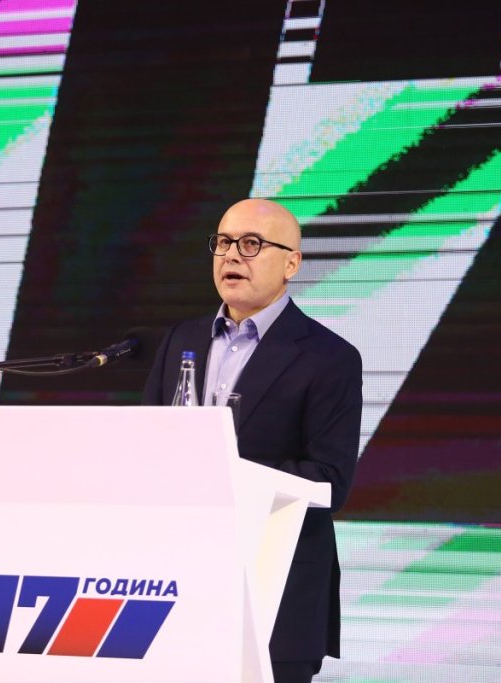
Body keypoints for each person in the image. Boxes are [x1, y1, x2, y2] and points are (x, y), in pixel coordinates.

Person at [142, 198, 364, 682]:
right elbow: (148, 447)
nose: (231, 255)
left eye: (251, 244)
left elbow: (330, 480)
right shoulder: (181, 340)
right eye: (223, 242)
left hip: (275, 592)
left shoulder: (329, 358)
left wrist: (226, 475)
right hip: (180, 584)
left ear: (291, 263)